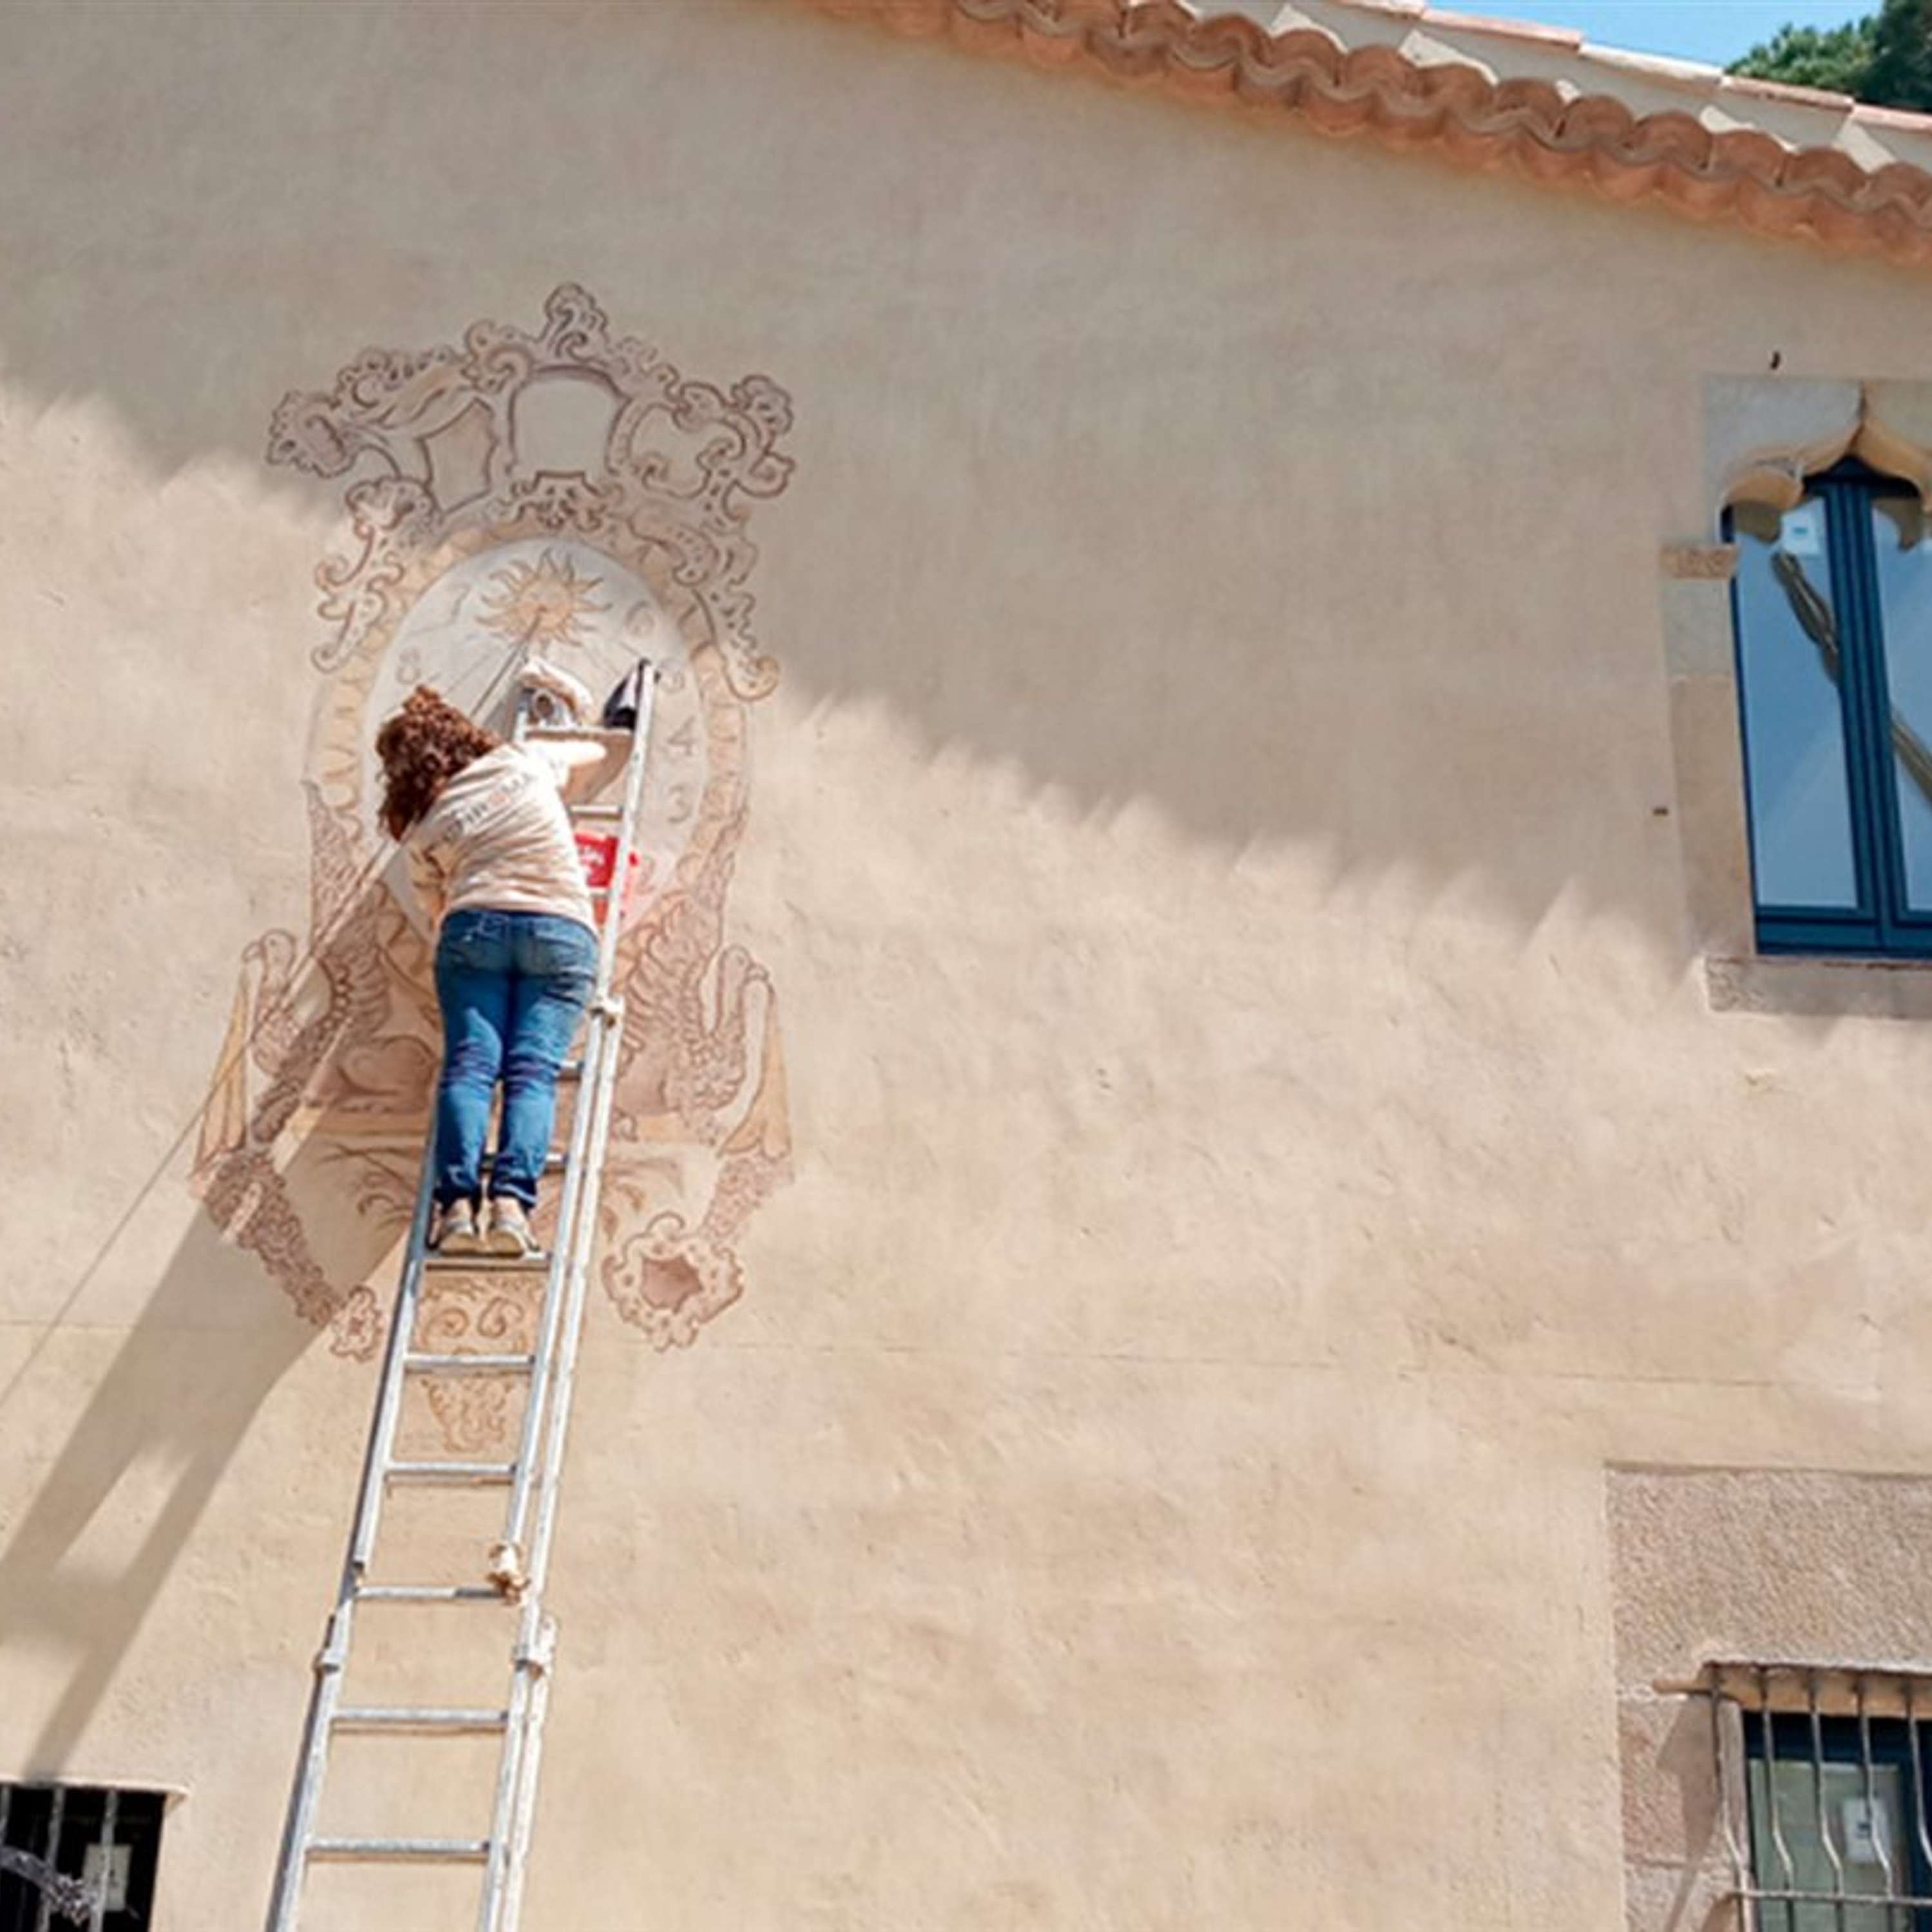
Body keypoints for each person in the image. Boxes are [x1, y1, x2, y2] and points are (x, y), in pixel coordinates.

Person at [374, 668, 611, 1257]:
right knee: (532, 1072)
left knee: (471, 1068)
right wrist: (573, 711)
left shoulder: (427, 827)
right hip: (560, 928)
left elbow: (435, 908)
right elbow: (595, 752)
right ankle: (511, 1207)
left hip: (474, 925)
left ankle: (457, 1210)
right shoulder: (523, 762)